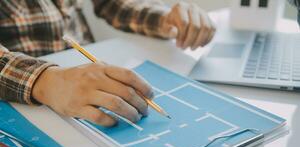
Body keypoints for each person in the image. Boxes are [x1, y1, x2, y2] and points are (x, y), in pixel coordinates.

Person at [0, 0, 215, 127]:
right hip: (22, 104)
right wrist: (44, 80)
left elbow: (111, 4)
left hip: (91, 77)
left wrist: (164, 19)